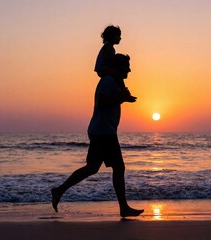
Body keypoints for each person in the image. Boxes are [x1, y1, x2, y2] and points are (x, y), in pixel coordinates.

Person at [51, 54, 143, 218]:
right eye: (126, 66)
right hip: (104, 132)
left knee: (92, 168)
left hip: (101, 131)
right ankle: (123, 207)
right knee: (118, 167)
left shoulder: (112, 81)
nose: (129, 69)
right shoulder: (108, 81)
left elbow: (109, 101)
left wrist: (122, 99)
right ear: (118, 67)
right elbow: (101, 102)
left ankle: (59, 190)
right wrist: (120, 98)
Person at [94, 25, 136, 99]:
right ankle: (124, 92)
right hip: (104, 69)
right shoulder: (108, 47)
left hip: (104, 69)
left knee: (117, 77)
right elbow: (108, 59)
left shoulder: (108, 47)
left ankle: (121, 92)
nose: (120, 38)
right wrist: (117, 59)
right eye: (118, 36)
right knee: (118, 76)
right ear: (112, 36)